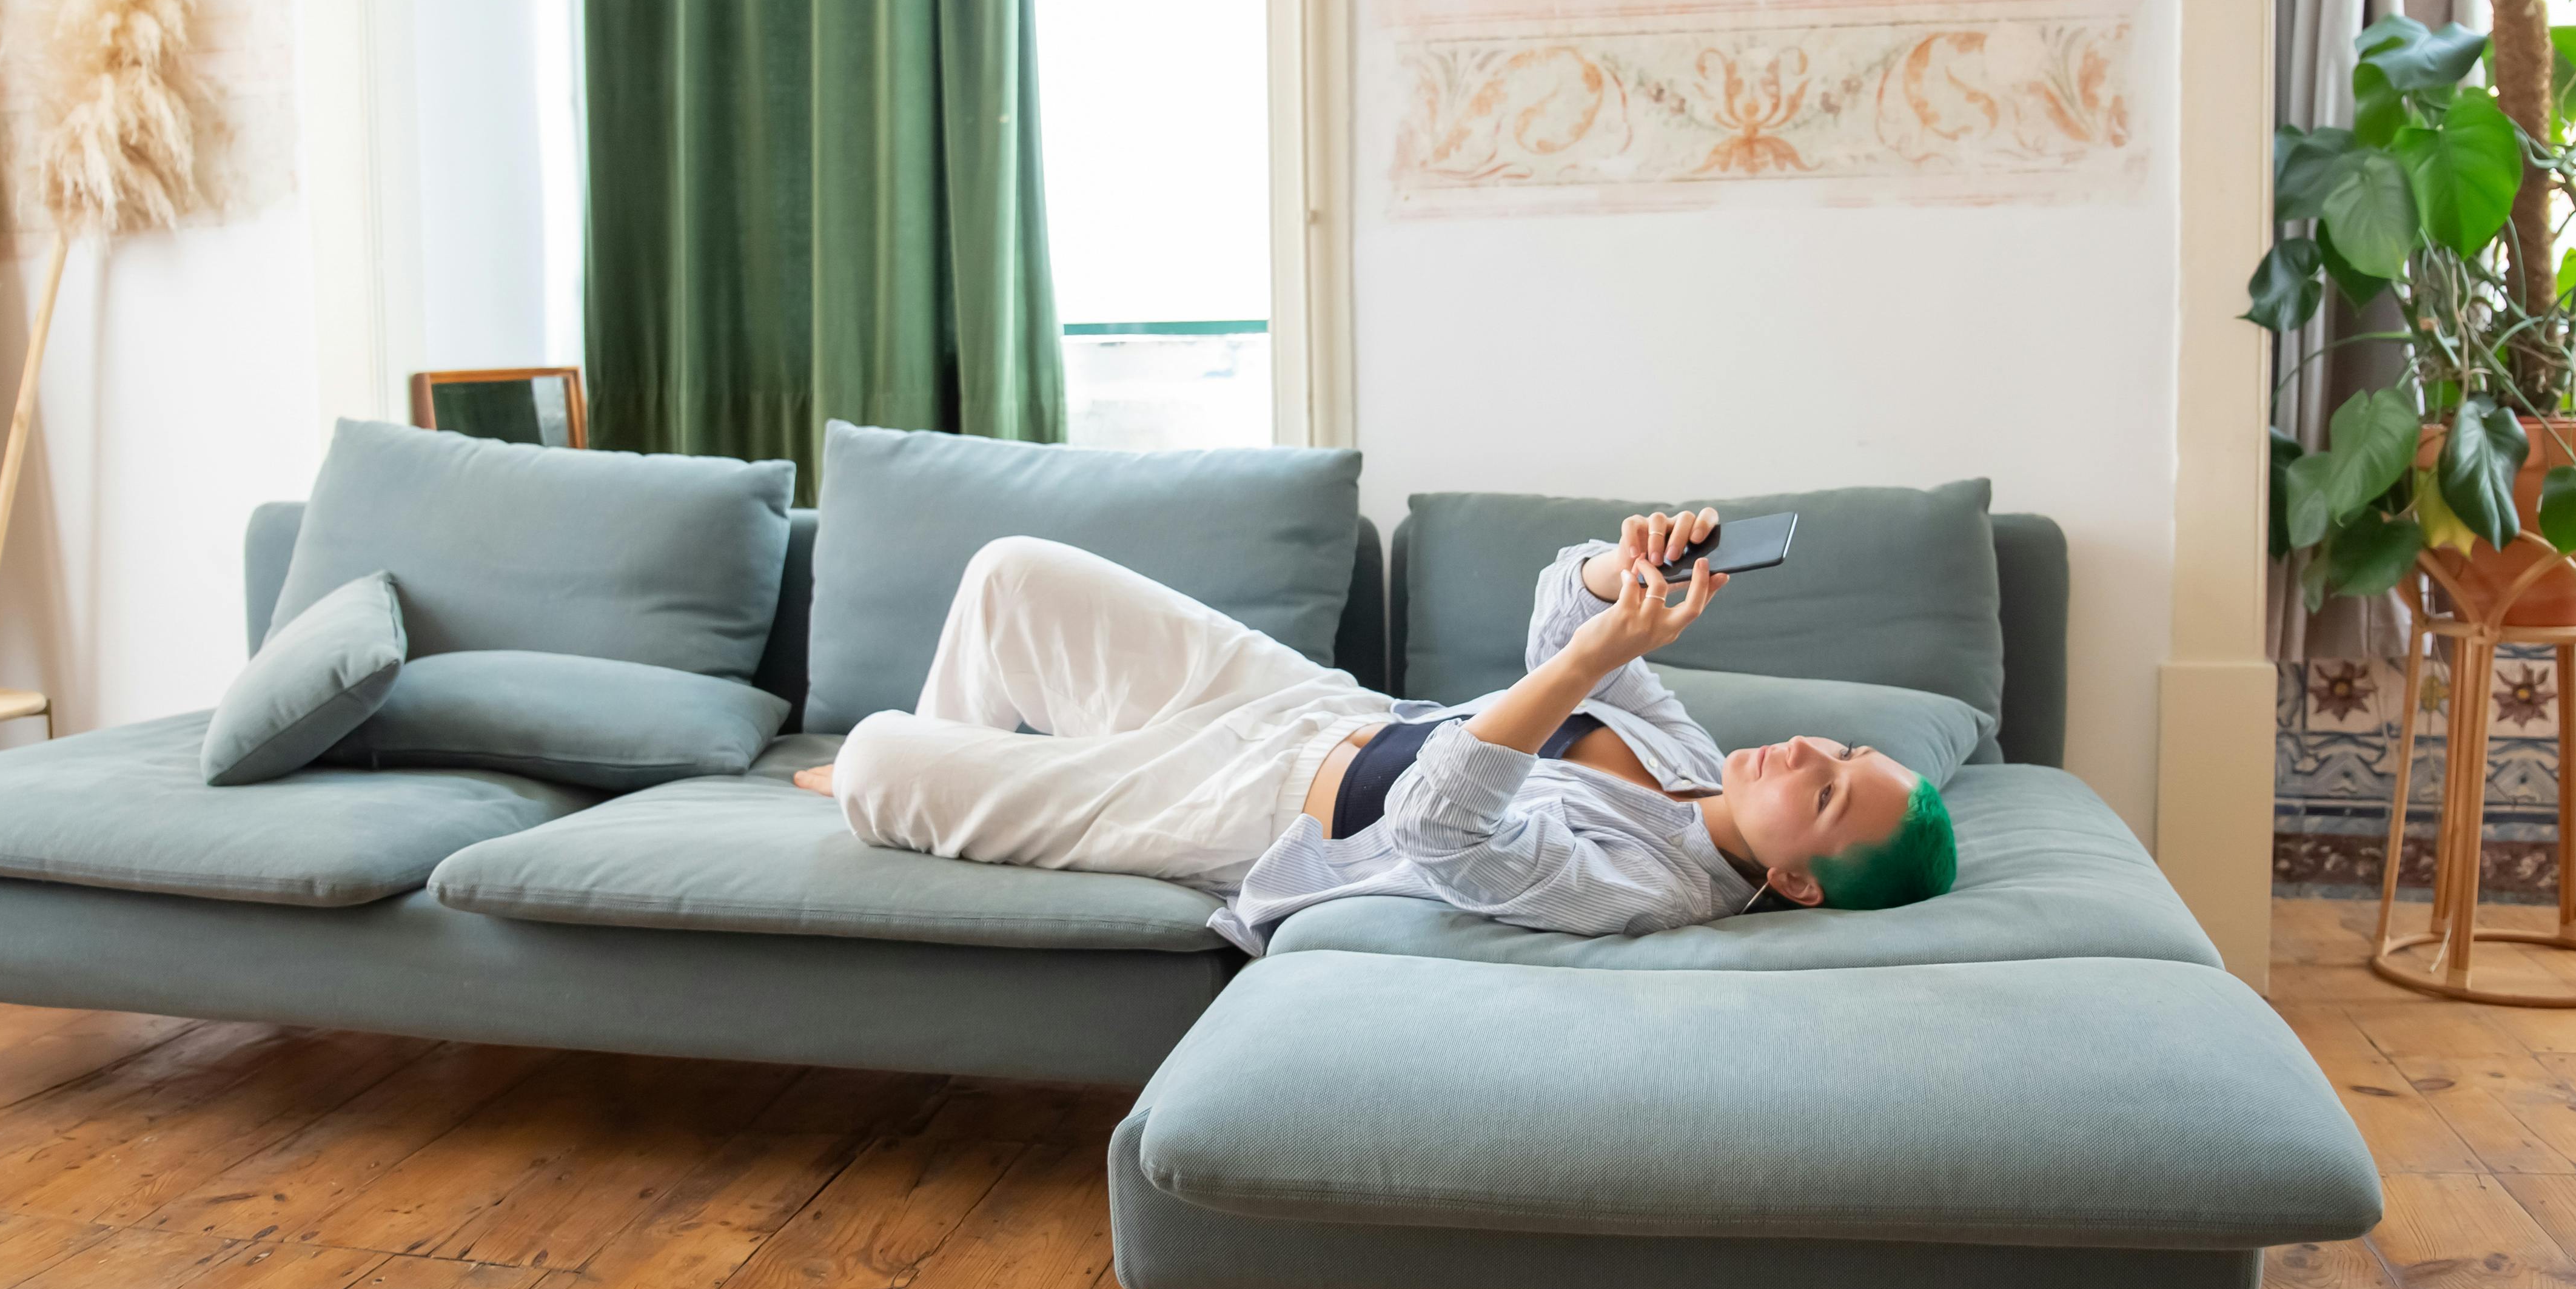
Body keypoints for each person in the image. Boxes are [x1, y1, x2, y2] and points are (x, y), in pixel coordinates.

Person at [798, 508, 1957, 951]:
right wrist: (1626, 568)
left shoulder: (1639, 889)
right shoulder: (1690, 763)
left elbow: (1440, 825)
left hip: (1239, 809)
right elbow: (1566, 601)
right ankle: (972, 784)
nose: (1808, 753)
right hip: (1303, 704)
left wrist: (1594, 659)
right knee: (1010, 571)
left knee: (873, 757)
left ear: (1801, 886)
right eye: (1841, 752)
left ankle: (928, 784)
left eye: (1822, 795)